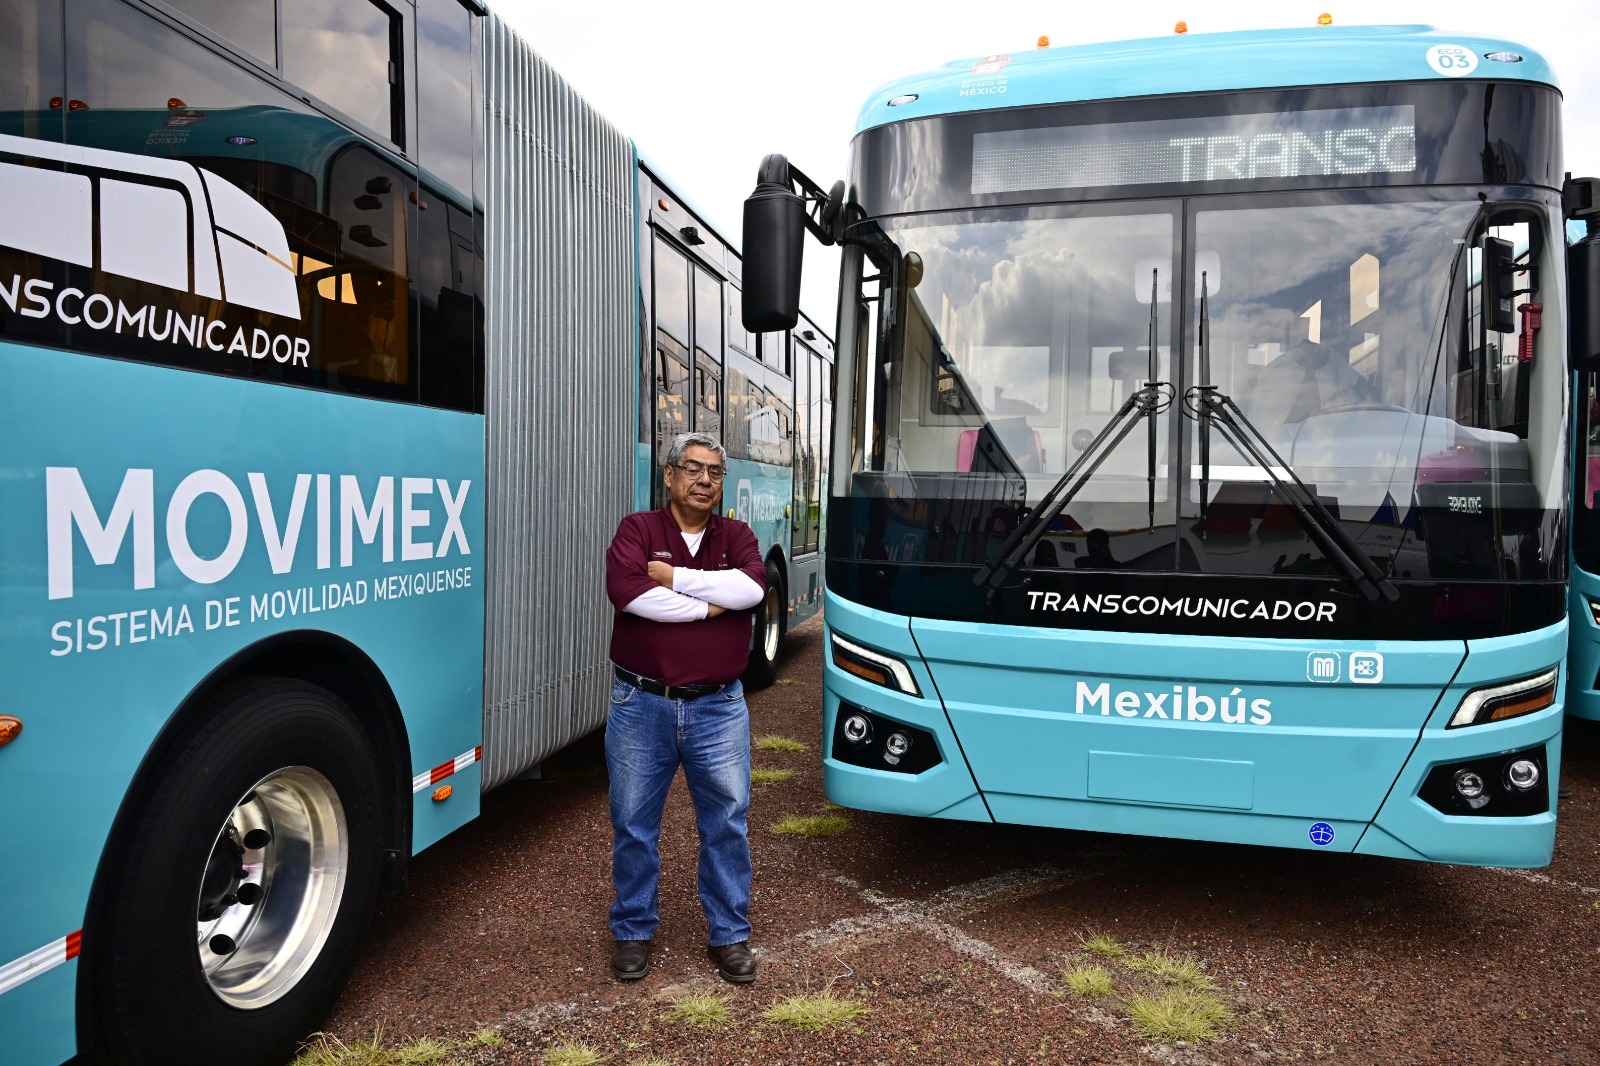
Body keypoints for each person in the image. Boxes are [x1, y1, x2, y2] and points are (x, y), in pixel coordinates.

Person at [603, 432, 766, 984]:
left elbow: (752, 591)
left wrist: (675, 579)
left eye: (714, 473)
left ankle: (729, 934)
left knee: (726, 822)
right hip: (641, 704)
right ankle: (632, 930)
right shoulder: (638, 529)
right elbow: (630, 594)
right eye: (692, 470)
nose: (703, 481)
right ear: (669, 476)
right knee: (633, 823)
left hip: (719, 708)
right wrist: (707, 609)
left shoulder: (737, 534)